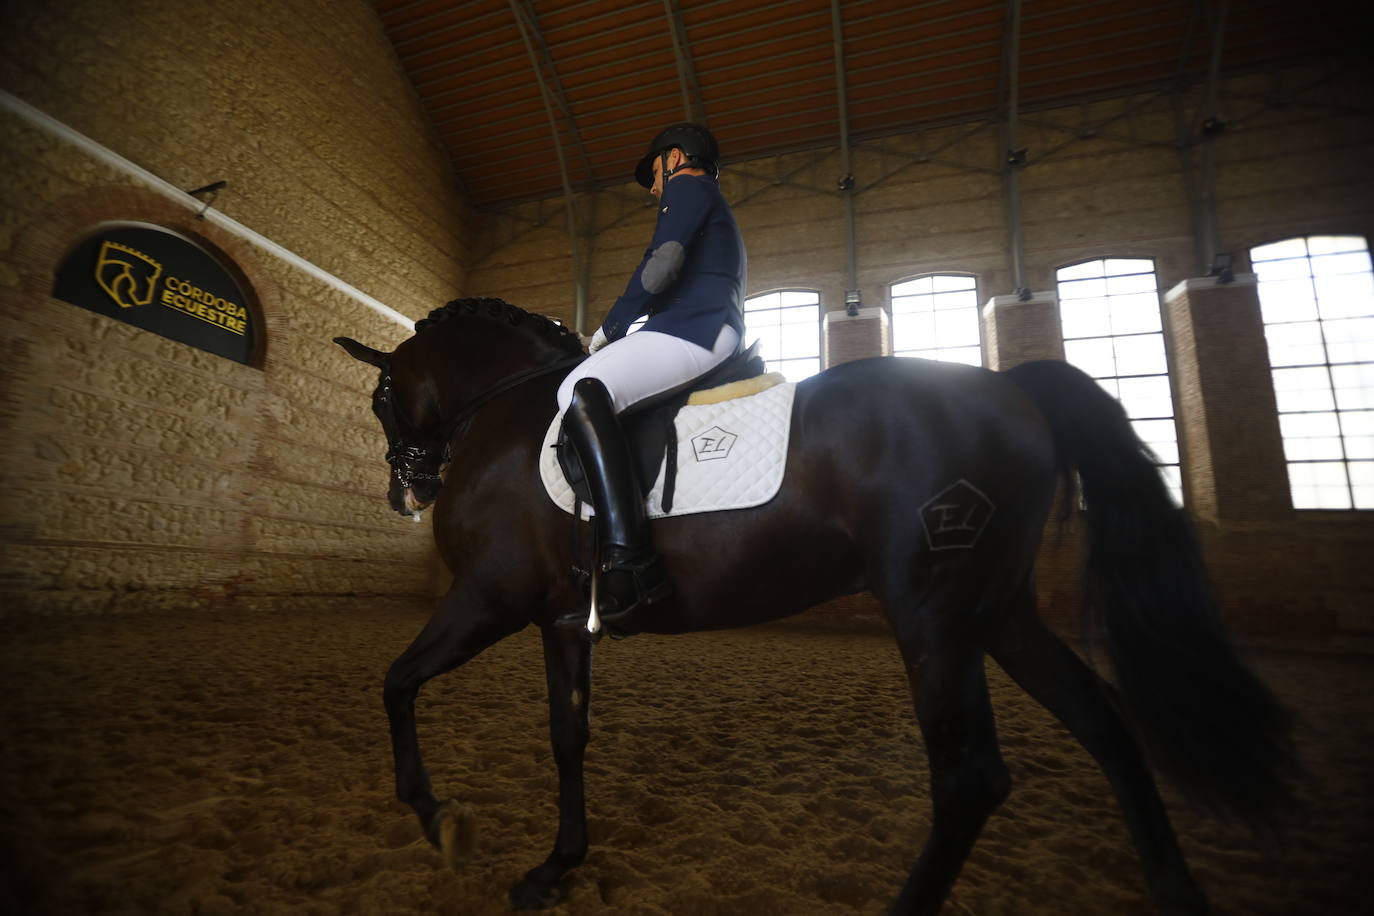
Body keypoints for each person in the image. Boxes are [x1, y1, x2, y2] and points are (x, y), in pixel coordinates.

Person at [556, 122, 746, 629]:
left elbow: (659, 270)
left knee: (578, 389)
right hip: (692, 324)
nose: (654, 187)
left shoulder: (687, 187)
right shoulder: (700, 196)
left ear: (676, 157)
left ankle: (630, 563)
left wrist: (609, 328)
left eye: (655, 175)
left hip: (696, 328)